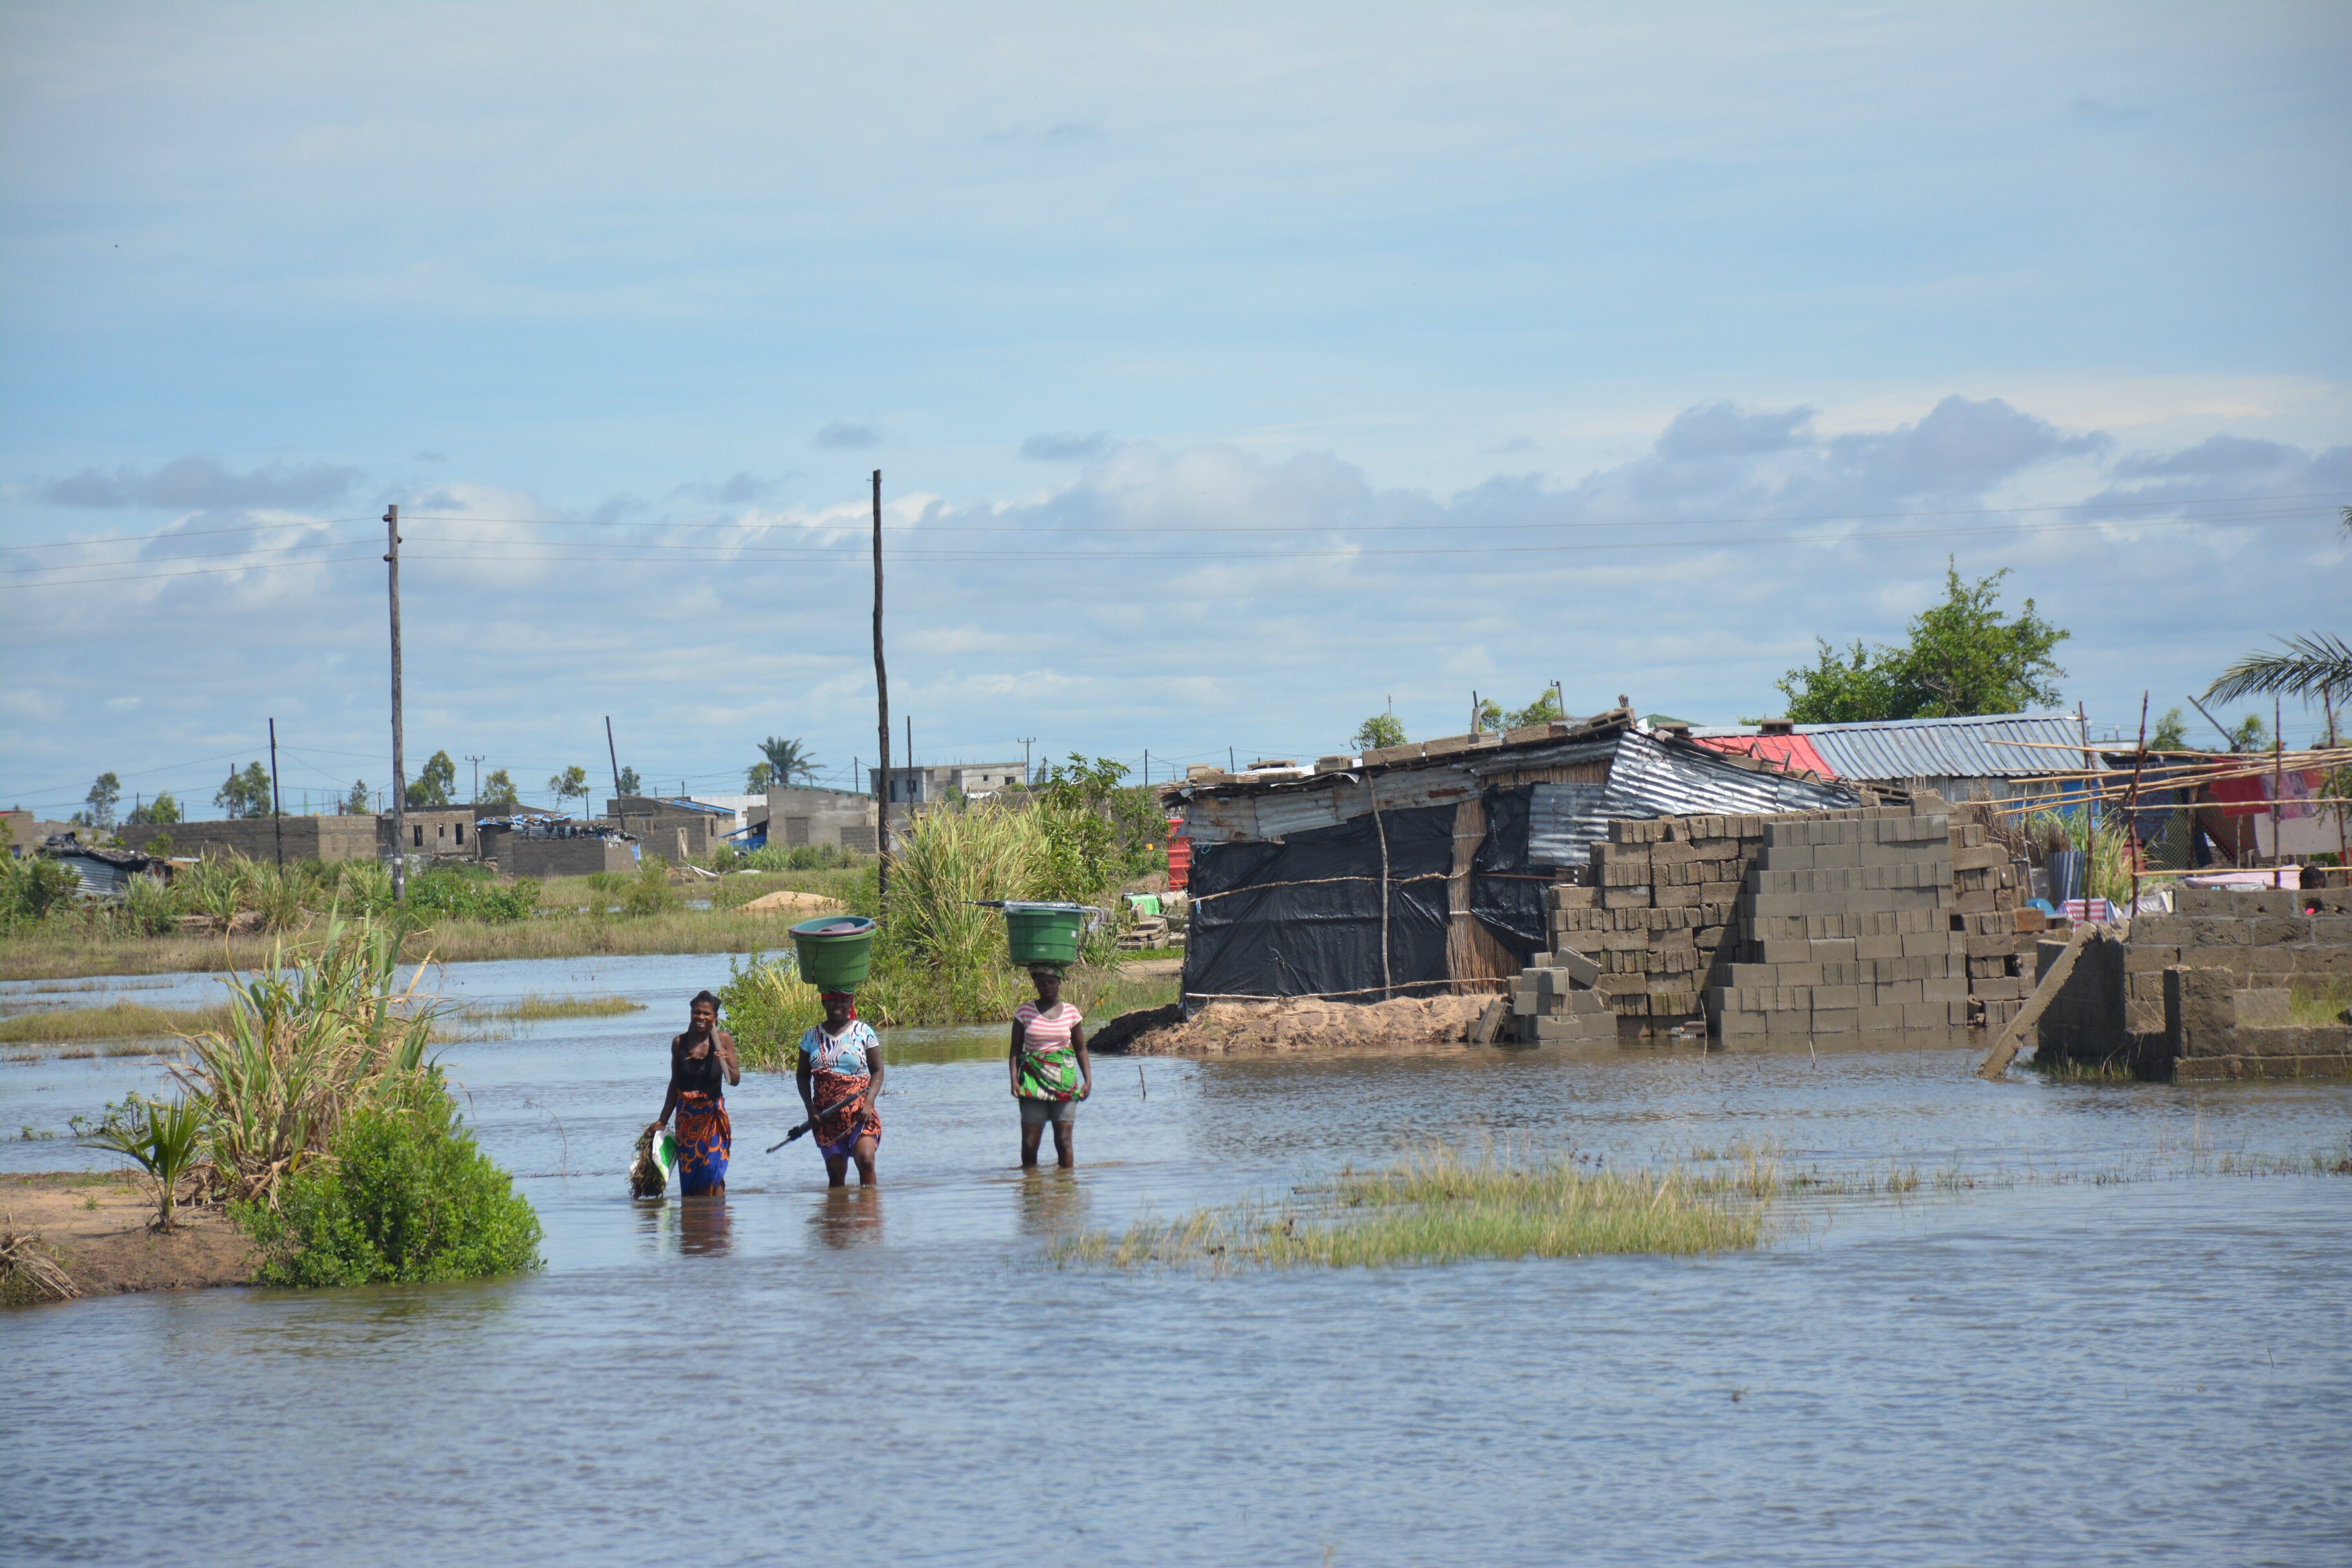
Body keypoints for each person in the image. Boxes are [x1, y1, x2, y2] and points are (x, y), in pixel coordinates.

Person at [647, 990, 740, 1197]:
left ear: (715, 1018)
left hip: (713, 1118)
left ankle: (719, 1221)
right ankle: (695, 1222)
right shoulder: (680, 1043)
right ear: (691, 1014)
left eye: (707, 1014)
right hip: (687, 1120)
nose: (701, 1017)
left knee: (712, 1170)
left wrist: (722, 1061)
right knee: (691, 1176)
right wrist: (663, 1120)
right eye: (697, 1013)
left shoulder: (723, 1041)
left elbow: (735, 1080)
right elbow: (675, 1084)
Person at [796, 991, 883, 1187]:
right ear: (823, 1003)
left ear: (850, 1003)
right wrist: (811, 1109)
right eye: (833, 1000)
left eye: (844, 1001)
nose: (839, 1005)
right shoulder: (811, 1037)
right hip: (826, 1117)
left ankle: (868, 1214)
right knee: (836, 1174)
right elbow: (803, 1076)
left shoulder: (864, 1032)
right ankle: (838, 1215)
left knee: (866, 1160)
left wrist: (869, 1104)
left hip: (860, 1112)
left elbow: (877, 1071)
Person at [1010, 965, 1090, 1169]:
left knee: (1063, 1141)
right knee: (1030, 1144)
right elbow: (1015, 1051)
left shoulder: (1071, 1012)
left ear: (1060, 984)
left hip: (1064, 1080)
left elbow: (1081, 1049)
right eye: (1042, 982)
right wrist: (1014, 1081)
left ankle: (1065, 1189)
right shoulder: (1025, 1012)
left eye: (1052, 982)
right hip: (1032, 1079)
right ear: (1036, 985)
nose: (1047, 987)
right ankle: (1031, 1189)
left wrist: (1088, 1081)